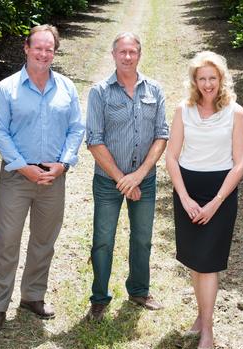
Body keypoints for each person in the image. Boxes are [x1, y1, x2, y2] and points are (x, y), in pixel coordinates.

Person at [0, 24, 84, 333]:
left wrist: (64, 165)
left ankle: (33, 296)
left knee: (44, 241)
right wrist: (22, 165)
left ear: (55, 52)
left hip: (53, 177)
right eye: (37, 47)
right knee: (7, 241)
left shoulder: (66, 87)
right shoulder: (7, 88)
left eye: (49, 49)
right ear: (26, 48)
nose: (43, 53)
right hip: (17, 175)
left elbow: (76, 128)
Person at [165, 51, 243, 349]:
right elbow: (171, 157)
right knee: (195, 261)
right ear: (195, 81)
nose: (208, 84)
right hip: (188, 190)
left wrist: (216, 202)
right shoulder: (183, 110)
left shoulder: (235, 112)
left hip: (220, 192)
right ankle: (202, 316)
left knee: (208, 262)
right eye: (202, 78)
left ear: (222, 79)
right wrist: (184, 197)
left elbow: (240, 163)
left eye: (213, 78)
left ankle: (208, 332)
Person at [85, 32, 169, 321]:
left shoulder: (154, 90)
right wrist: (123, 179)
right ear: (113, 55)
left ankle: (139, 290)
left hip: (144, 180)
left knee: (142, 238)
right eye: (122, 52)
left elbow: (161, 135)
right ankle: (99, 297)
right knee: (103, 240)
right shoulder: (99, 92)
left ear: (139, 55)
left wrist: (139, 176)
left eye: (132, 51)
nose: (127, 57)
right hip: (108, 182)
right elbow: (94, 140)